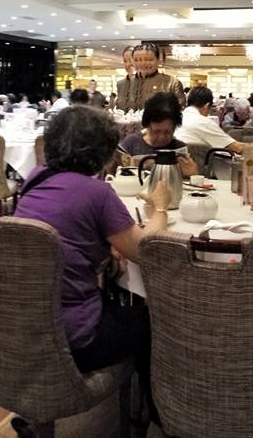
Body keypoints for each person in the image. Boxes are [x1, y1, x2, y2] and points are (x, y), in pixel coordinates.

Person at [12, 106, 168, 427]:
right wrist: (160, 209)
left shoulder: (34, 179)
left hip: (24, 325)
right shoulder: (97, 192)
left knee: (116, 298)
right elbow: (144, 250)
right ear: (102, 151)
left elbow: (67, 229)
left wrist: (104, 245)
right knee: (151, 322)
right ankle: (155, 416)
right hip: (71, 337)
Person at [116, 93, 197, 176]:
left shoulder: (180, 149)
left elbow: (193, 180)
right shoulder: (131, 143)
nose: (162, 137)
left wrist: (193, 174)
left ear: (175, 127)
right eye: (156, 131)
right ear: (147, 125)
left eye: (168, 132)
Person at [174, 87, 247, 154]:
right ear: (207, 105)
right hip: (198, 163)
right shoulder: (204, 123)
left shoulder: (176, 118)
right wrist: (252, 146)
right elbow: (238, 148)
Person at [121, 44, 184, 112]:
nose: (142, 63)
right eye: (137, 60)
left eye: (148, 59)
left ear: (158, 60)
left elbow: (180, 110)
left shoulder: (172, 83)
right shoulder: (126, 83)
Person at [113, 47, 135, 112]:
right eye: (125, 61)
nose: (128, 64)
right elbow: (119, 106)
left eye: (130, 60)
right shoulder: (120, 84)